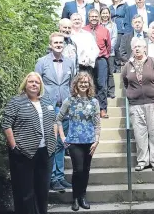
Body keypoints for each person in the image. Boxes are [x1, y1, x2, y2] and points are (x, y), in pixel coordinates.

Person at [2, 72, 57, 214]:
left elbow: (55, 121)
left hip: (45, 152)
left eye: (37, 82)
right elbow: (6, 124)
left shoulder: (46, 101)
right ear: (25, 84)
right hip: (23, 153)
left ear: (40, 86)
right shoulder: (16, 101)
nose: (34, 84)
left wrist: (54, 139)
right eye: (30, 82)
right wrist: (13, 146)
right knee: (25, 192)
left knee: (42, 190)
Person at [35, 32, 76, 192]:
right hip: (48, 108)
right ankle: (51, 178)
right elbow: (36, 84)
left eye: (61, 42)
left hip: (65, 108)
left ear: (64, 44)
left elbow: (73, 84)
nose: (59, 45)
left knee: (61, 143)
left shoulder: (70, 63)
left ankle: (59, 176)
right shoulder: (42, 62)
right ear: (50, 45)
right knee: (51, 142)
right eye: (56, 43)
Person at [57, 71, 101, 211]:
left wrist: (97, 140)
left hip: (89, 141)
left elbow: (97, 123)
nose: (83, 84)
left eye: (86, 82)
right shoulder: (69, 101)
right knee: (78, 170)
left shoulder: (94, 102)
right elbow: (58, 119)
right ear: (76, 84)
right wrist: (63, 137)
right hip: (74, 141)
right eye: (81, 82)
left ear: (89, 85)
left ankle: (83, 196)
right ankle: (75, 198)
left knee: (86, 170)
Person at [121, 38, 154, 171]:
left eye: (140, 46)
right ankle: (142, 161)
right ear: (132, 49)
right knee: (140, 134)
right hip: (135, 105)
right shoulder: (127, 66)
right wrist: (132, 95)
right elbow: (125, 82)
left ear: (145, 48)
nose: (137, 49)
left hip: (153, 103)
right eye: (135, 47)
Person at [83, 9, 111, 119]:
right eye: (92, 16)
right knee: (89, 84)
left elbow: (108, 47)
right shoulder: (84, 30)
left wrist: (104, 56)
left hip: (101, 59)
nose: (94, 18)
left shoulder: (105, 30)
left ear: (99, 17)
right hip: (88, 61)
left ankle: (102, 109)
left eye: (96, 16)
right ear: (88, 18)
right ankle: (90, 109)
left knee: (102, 85)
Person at [109, 0, 131, 72]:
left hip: (121, 29)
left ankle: (120, 63)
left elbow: (127, 17)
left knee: (117, 47)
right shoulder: (110, 7)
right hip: (112, 30)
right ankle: (116, 65)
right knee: (112, 48)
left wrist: (126, 29)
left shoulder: (124, 5)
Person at [100, 7, 117, 99]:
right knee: (102, 72)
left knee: (110, 72)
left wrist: (109, 48)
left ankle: (111, 91)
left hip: (110, 53)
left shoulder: (113, 25)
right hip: (100, 53)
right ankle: (103, 90)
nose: (105, 15)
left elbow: (114, 38)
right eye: (103, 13)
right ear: (100, 14)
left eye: (107, 13)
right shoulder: (98, 25)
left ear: (109, 14)